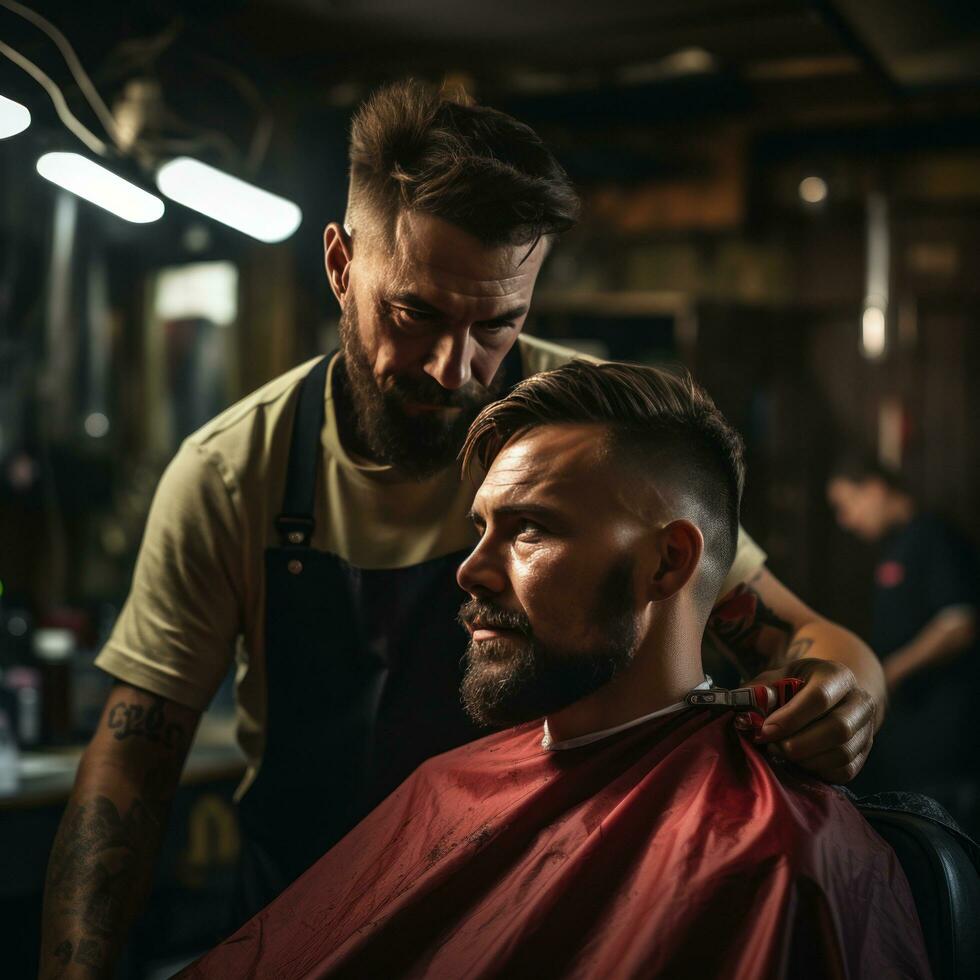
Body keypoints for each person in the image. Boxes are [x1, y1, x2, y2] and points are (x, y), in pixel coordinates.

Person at [40, 80, 885, 979]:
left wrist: (850, 688)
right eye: (418, 315)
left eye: (499, 325)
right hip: (307, 917)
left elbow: (798, 634)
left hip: (538, 901)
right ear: (339, 265)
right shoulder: (230, 473)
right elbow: (132, 767)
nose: (457, 370)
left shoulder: (586, 437)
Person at [181, 362, 930, 980]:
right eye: (481, 529)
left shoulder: (773, 856)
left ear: (667, 562)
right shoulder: (449, 789)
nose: (470, 571)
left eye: (529, 530)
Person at [828, 457, 979, 835]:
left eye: (847, 505)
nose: (845, 520)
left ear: (875, 488)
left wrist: (890, 673)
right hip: (909, 745)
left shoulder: (933, 536)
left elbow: (959, 623)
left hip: (944, 744)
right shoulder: (896, 547)